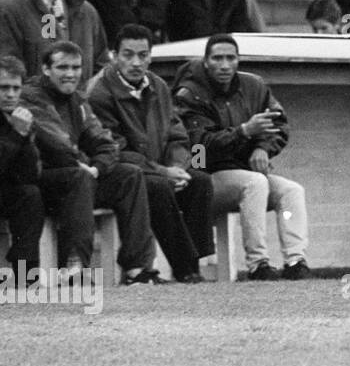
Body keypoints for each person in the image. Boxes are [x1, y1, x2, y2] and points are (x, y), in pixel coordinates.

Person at [174, 34, 310, 281]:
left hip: (246, 170)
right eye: (217, 58)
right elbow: (198, 149)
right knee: (255, 183)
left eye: (231, 58)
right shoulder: (189, 94)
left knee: (292, 190)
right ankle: (258, 264)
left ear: (238, 60)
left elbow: (278, 122)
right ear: (205, 62)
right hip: (206, 179)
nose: (224, 65)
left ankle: (295, 261)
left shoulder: (254, 85)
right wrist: (243, 132)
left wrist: (263, 148)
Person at [21, 41, 160, 284]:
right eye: (63, 67)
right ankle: (75, 269)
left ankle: (137, 269)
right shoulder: (32, 97)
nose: (71, 74)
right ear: (46, 69)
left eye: (76, 68)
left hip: (79, 176)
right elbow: (56, 143)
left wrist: (97, 167)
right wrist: (82, 164)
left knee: (129, 174)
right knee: (79, 176)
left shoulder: (77, 99)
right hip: (42, 179)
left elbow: (106, 143)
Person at [88, 24, 214, 283]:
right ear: (114, 55)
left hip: (158, 168)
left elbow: (177, 134)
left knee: (199, 180)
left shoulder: (157, 85)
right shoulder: (100, 92)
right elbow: (114, 148)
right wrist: (162, 171)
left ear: (151, 56)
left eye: (143, 55)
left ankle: (195, 263)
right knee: (157, 187)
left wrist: (177, 168)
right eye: (128, 54)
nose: (136, 62)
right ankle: (185, 269)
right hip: (119, 174)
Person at [0, 54, 43, 278]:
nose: (10, 94)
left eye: (16, 88)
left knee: (30, 194)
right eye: (4, 87)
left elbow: (29, 175)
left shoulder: (18, 117)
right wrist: (16, 135)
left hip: (6, 192)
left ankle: (27, 274)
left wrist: (24, 136)